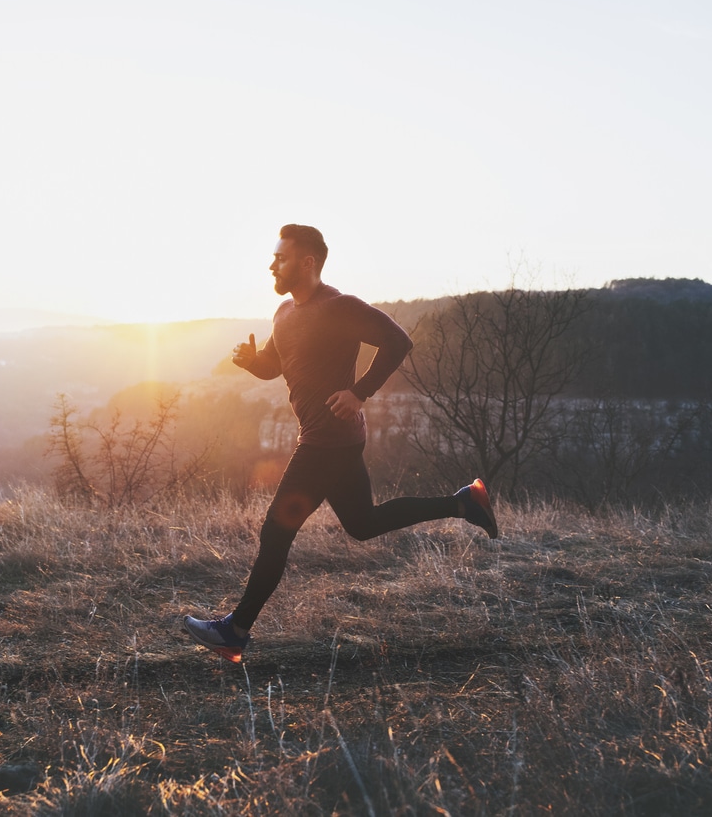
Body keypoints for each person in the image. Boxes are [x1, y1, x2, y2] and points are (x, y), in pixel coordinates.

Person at [184, 224, 498, 663]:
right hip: (332, 438)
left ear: (308, 262)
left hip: (327, 439)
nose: (272, 264)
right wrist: (250, 362)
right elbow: (275, 365)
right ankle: (465, 502)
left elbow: (398, 341)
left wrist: (360, 392)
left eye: (282, 258)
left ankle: (235, 631)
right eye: (274, 257)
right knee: (363, 523)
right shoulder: (283, 313)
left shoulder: (339, 307)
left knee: (276, 530)